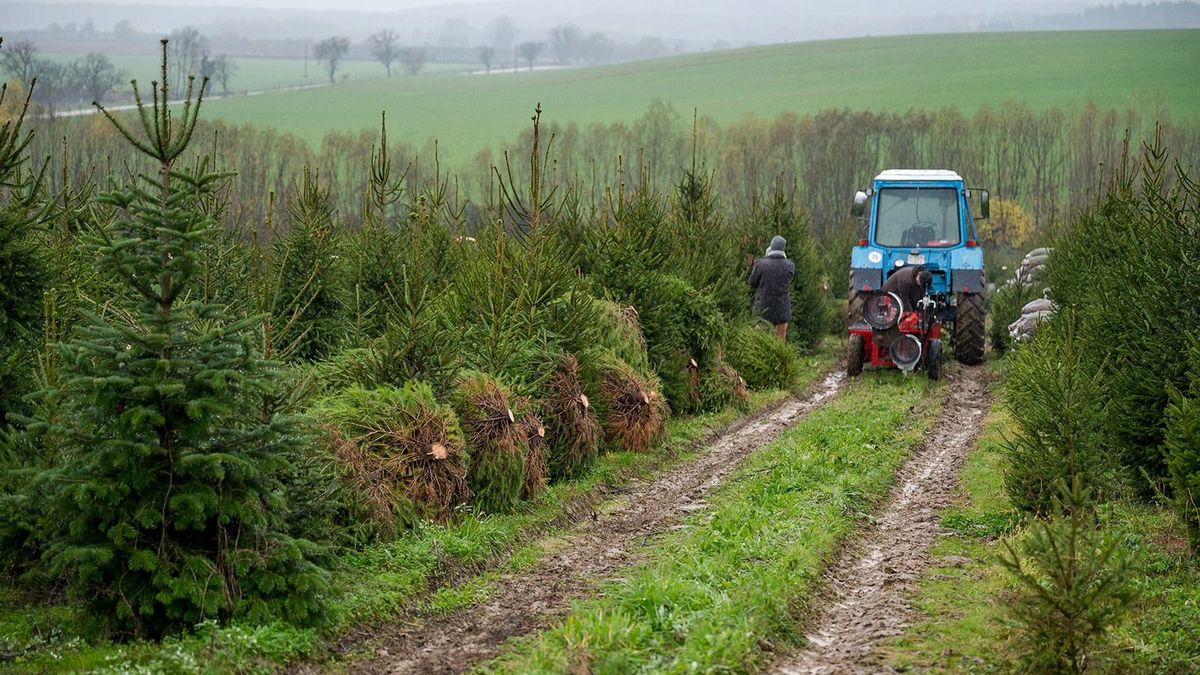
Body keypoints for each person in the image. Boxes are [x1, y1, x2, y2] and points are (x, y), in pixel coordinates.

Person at [748, 235, 795, 340]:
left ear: (771, 247)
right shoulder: (790, 266)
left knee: (759, 342)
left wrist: (764, 258)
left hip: (763, 311)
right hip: (782, 312)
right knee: (780, 343)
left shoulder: (760, 264)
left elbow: (752, 283)